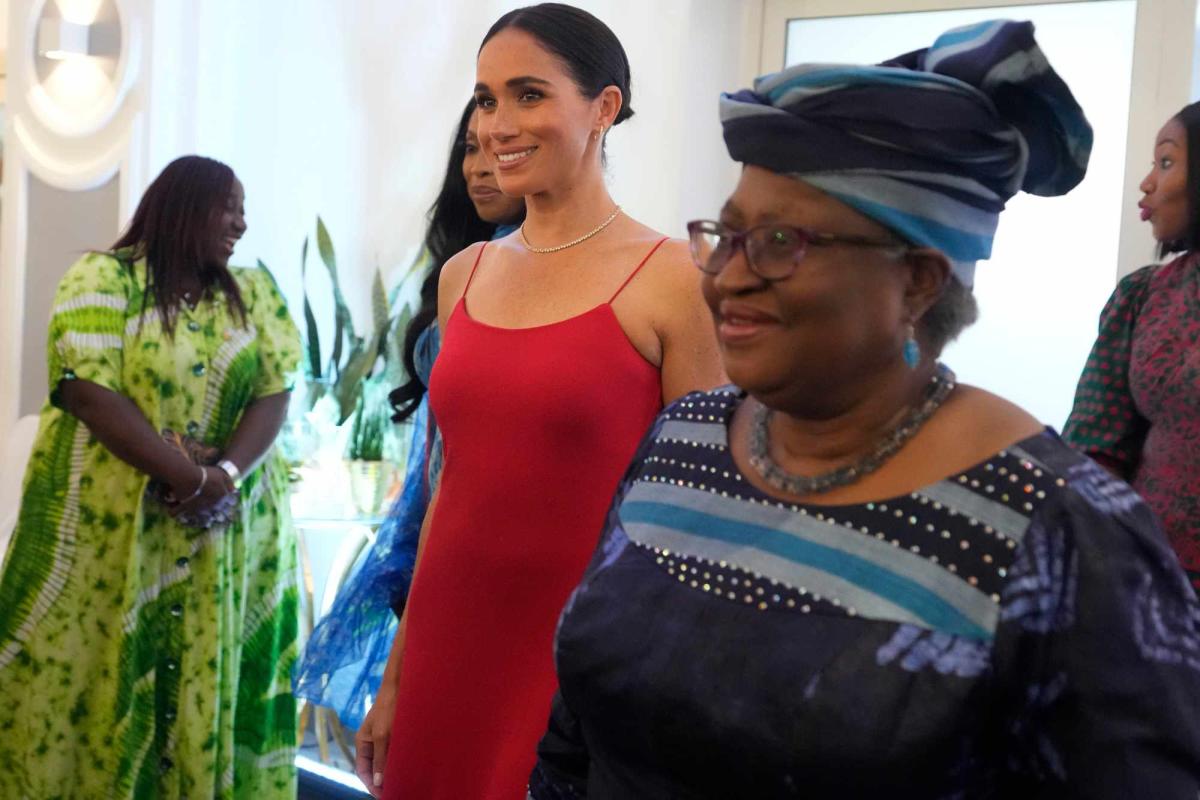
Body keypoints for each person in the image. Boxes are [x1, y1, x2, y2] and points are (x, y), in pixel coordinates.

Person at [529, 20, 1200, 799]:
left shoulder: (1063, 534)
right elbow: (571, 741)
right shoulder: (681, 441)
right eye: (727, 235)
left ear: (918, 279)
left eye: (779, 241)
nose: (727, 278)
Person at [355, 4, 724, 798]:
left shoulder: (673, 278)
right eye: (486, 100)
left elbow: (703, 514)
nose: (496, 125)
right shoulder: (466, 276)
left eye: (528, 94)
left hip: (579, 659)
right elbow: (447, 494)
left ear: (605, 107)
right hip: (445, 648)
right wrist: (393, 679)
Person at [0, 155, 301, 798]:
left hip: (220, 539)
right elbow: (87, 392)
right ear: (184, 205)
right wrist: (191, 481)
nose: (242, 224)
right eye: (231, 206)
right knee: (87, 684)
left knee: (204, 682)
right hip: (106, 540)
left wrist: (221, 473)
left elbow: (274, 392)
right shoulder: (101, 279)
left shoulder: (254, 292)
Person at [292, 99, 525, 728]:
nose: (480, 169)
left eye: (495, 151)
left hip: (499, 537)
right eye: (468, 152)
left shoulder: (529, 275)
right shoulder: (461, 269)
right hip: (436, 513)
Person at [1064, 102, 1200, 591]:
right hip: (1157, 589)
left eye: (1166, 162)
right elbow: (1093, 451)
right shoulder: (1142, 296)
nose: (1148, 184)